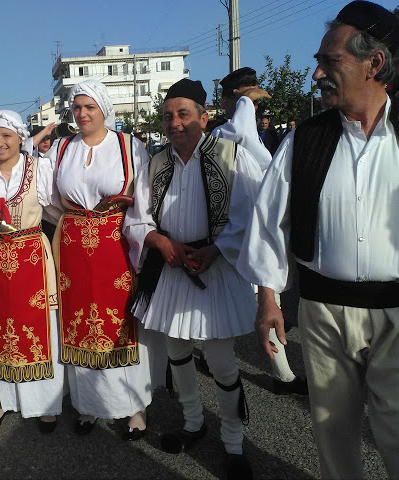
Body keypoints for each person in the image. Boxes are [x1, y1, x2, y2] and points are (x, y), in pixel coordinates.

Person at [238, 2, 399, 478]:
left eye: (330, 62)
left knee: (398, 433)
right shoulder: (305, 139)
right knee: (333, 433)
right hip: (324, 312)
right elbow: (270, 224)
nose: (316, 73)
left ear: (375, 64)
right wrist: (267, 298)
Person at [124, 79, 262, 477]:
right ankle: (192, 423)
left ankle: (234, 444)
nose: (175, 123)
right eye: (168, 116)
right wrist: (158, 241)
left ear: (204, 117)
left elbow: (250, 216)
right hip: (171, 267)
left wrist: (216, 250)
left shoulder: (232, 155)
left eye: (184, 114)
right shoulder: (156, 162)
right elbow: (138, 217)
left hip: (215, 266)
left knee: (220, 362)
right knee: (177, 352)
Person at [47, 79, 162, 440]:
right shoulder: (62, 148)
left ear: (104, 109)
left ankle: (135, 406)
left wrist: (141, 248)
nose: (82, 114)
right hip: (74, 248)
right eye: (77, 108)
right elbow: (48, 196)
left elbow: (143, 201)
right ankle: (89, 405)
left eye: (89, 107)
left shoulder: (130, 147)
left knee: (123, 321)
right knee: (79, 321)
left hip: (117, 245)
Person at [212, 67, 308, 396]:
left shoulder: (247, 139)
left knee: (266, 301)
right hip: (232, 236)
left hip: (256, 234)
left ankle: (282, 374)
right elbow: (238, 128)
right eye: (249, 102)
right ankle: (280, 376)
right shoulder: (223, 134)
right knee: (248, 303)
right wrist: (245, 102)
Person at [0, 110, 64, 433]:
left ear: (21, 138)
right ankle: (3, 399)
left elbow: (56, 209)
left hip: (30, 257)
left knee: (37, 327)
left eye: (6, 136)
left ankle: (44, 403)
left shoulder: (39, 168)